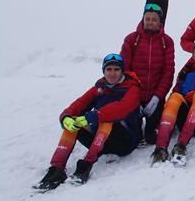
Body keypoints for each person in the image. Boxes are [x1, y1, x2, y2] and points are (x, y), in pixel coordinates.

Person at [35, 54, 141, 190]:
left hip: (125, 141)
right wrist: (65, 117)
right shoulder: (98, 88)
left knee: (106, 119)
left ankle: (86, 165)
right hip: (101, 141)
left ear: (122, 71)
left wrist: (93, 116)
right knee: (73, 122)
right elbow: (78, 104)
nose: (112, 73)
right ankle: (56, 168)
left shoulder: (132, 88)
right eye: (109, 69)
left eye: (116, 69)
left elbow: (122, 108)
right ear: (104, 71)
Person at [120, 3, 175, 145]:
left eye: (154, 19)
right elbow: (124, 69)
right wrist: (133, 97)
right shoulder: (132, 39)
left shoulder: (166, 42)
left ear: (160, 22)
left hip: (155, 94)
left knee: (151, 135)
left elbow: (168, 72)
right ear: (143, 20)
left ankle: (151, 129)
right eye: (147, 19)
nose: (150, 22)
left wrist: (157, 97)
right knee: (134, 136)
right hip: (134, 93)